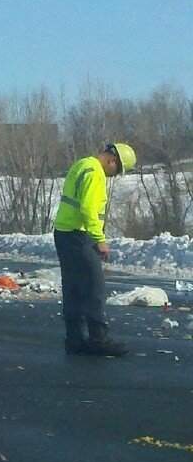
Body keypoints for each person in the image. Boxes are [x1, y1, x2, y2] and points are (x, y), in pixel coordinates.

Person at [54, 143, 137, 356]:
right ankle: (98, 339)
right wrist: (99, 239)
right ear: (112, 161)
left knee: (72, 287)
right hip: (78, 234)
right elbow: (88, 208)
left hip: (63, 232)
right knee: (94, 286)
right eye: (116, 171)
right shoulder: (95, 173)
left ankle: (74, 339)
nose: (114, 176)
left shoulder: (82, 164)